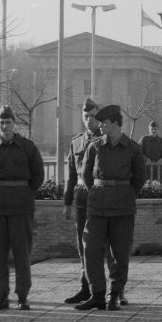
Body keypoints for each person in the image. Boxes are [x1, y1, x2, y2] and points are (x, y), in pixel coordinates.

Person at [75, 104, 146, 311]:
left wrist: (123, 194)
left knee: (119, 253)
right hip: (97, 207)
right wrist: (99, 192)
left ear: (115, 123)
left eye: (104, 123)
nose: (101, 126)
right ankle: (97, 293)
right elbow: (87, 176)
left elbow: (139, 179)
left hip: (122, 208)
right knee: (91, 249)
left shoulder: (133, 148)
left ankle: (114, 293)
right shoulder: (95, 146)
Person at [0, 105, 45, 311]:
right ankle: (2, 296)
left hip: (21, 207)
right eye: (1, 122)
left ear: (15, 124)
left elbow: (38, 176)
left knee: (21, 254)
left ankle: (22, 296)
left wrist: (23, 194)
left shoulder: (28, 147)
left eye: (8, 122)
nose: (5, 126)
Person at [63, 98, 122, 305]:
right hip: (82, 198)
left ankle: (116, 291)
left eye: (92, 116)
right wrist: (67, 202)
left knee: (109, 246)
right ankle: (86, 287)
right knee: (84, 246)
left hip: (102, 197)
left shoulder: (107, 139)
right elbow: (71, 174)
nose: (89, 120)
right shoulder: (76, 142)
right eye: (85, 116)